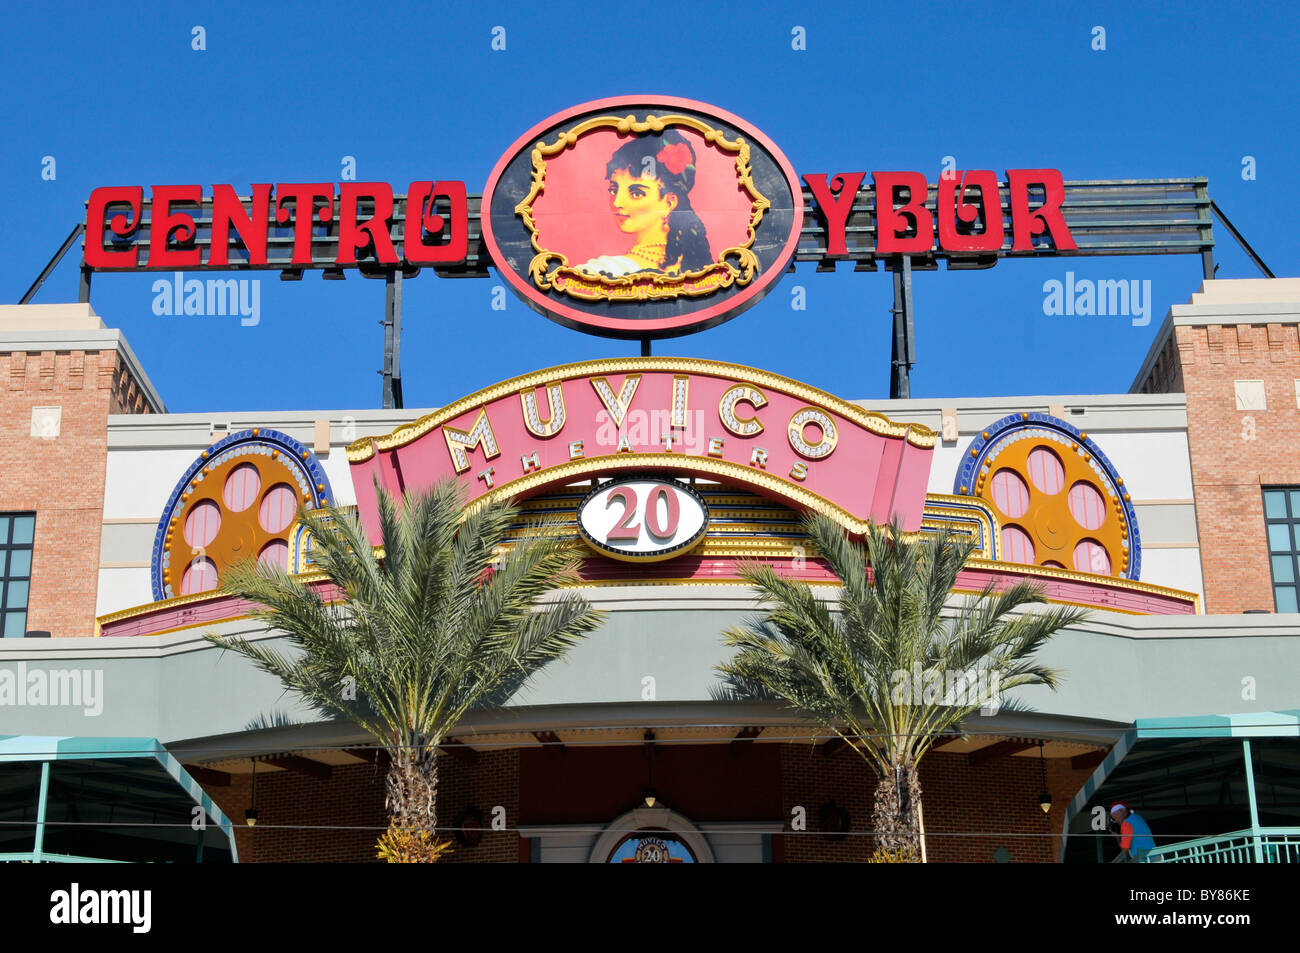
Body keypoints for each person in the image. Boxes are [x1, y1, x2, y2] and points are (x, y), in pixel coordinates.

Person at [577, 130, 714, 278]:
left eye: (636, 193)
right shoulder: (605, 269)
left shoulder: (601, 273)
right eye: (613, 190)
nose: (617, 202)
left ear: (669, 202)